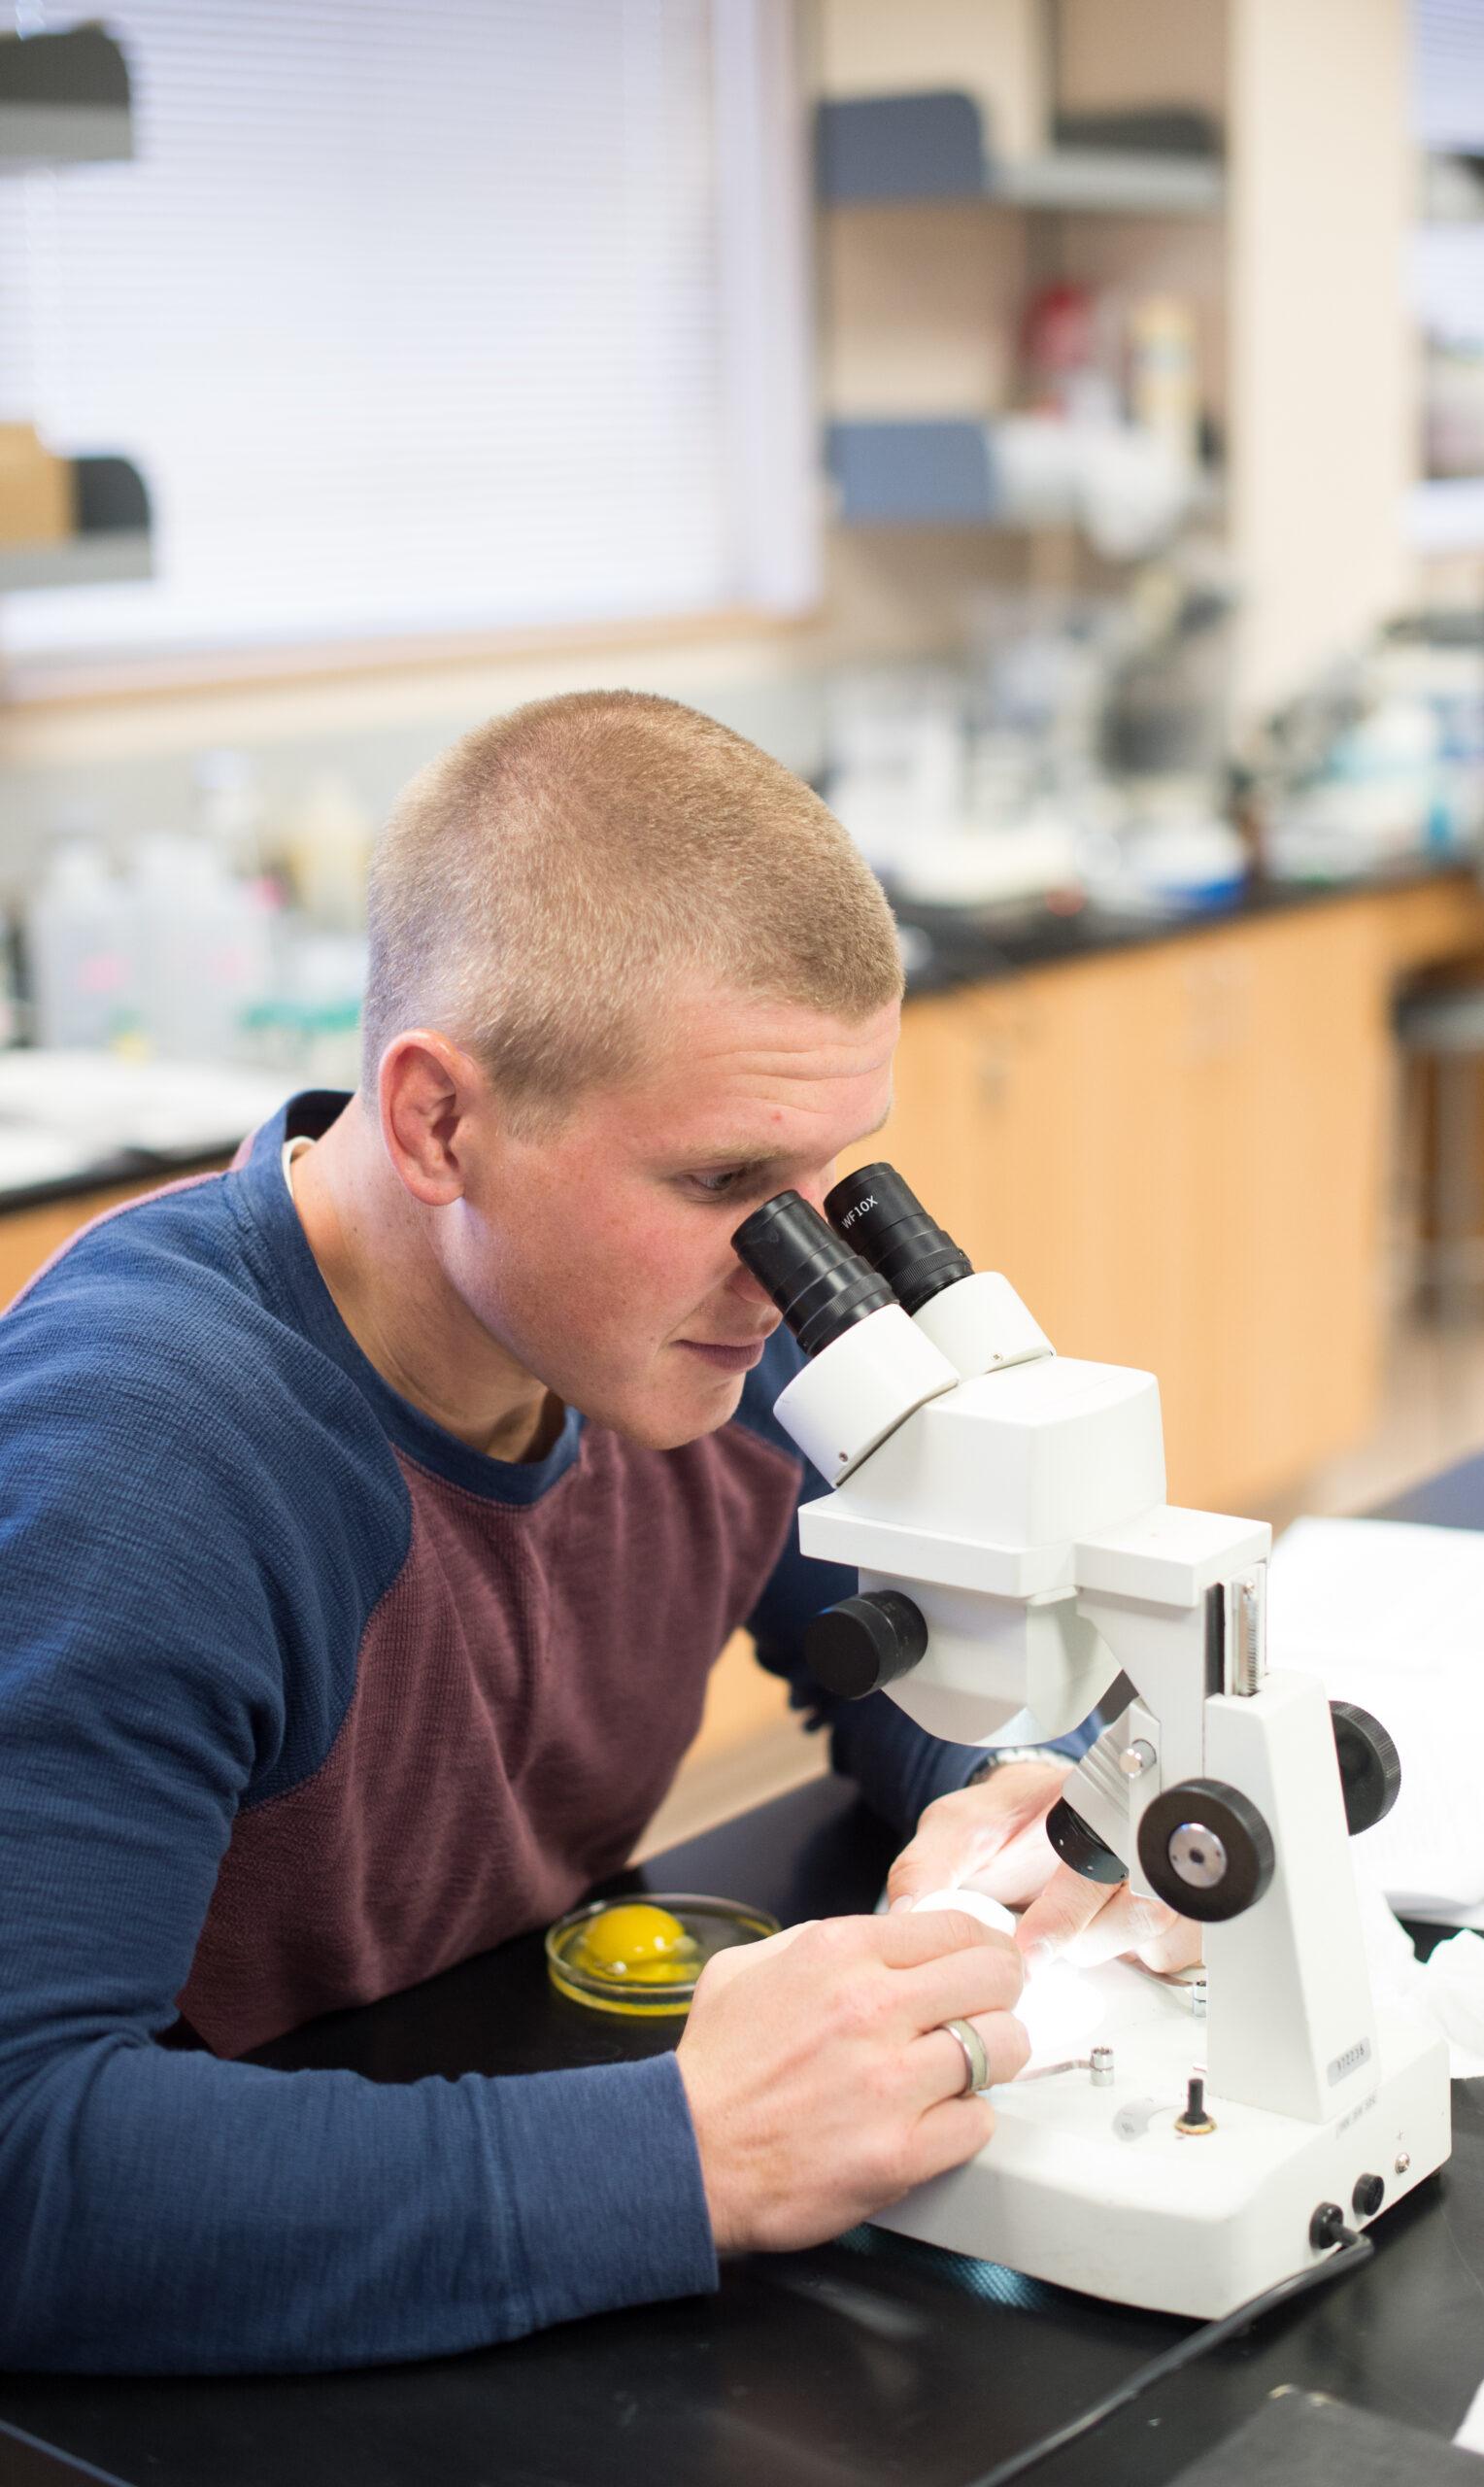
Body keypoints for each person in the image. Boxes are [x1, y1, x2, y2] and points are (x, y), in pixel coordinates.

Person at [0, 692, 1188, 2375]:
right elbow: (25, 2173)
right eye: (722, 1182)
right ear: (437, 1125)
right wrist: (691, 2153)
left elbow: (913, 1649)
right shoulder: (149, 1451)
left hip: (459, 2120)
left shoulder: (691, 1336)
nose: (787, 1274)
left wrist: (1013, 1793)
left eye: (829, 1177)